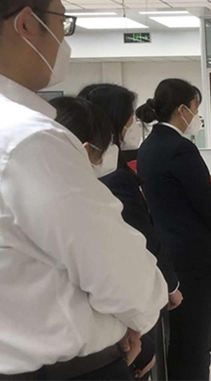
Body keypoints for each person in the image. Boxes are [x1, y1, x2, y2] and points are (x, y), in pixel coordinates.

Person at [0, 0, 167, 380]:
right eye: (62, 20)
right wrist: (133, 320)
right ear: (27, 24)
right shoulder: (26, 140)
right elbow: (123, 275)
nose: (63, 36)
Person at [51, 95, 163, 379]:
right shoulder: (82, 204)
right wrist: (139, 327)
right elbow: (124, 282)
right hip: (85, 360)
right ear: (84, 150)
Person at [78, 83, 184, 379]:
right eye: (130, 119)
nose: (135, 125)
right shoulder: (114, 177)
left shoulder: (87, 173)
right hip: (124, 308)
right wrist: (170, 286)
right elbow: (141, 239)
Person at [135, 79, 211, 381]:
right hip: (196, 257)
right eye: (196, 108)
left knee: (181, 337)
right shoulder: (181, 149)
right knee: (197, 339)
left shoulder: (148, 146)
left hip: (168, 253)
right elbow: (204, 200)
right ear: (182, 109)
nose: (197, 115)